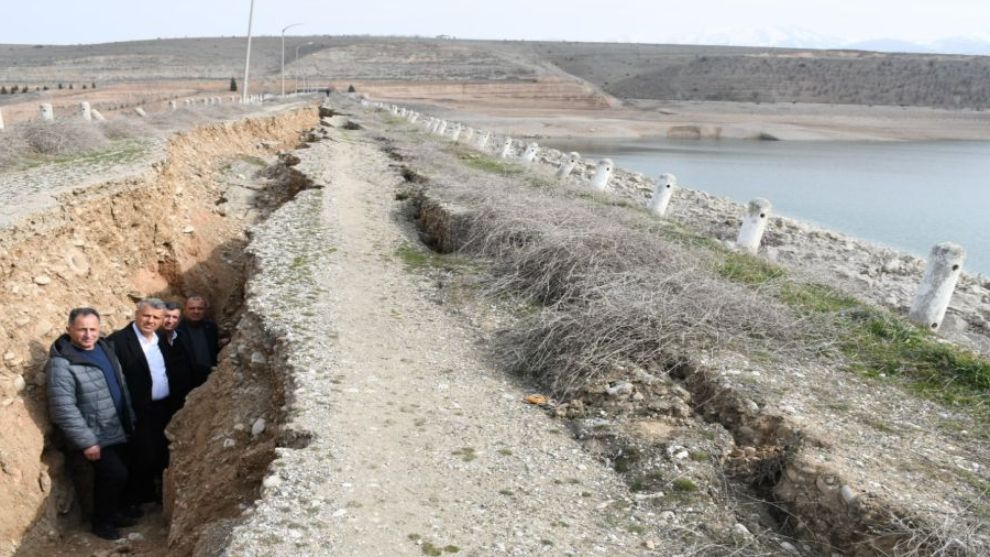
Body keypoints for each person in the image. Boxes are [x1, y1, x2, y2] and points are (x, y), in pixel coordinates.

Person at [47, 307, 138, 540]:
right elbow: (63, 407)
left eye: (93, 329)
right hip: (95, 433)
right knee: (114, 474)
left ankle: (115, 512)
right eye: (82, 330)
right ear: (69, 330)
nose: (88, 335)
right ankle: (102, 522)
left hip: (118, 425)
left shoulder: (104, 348)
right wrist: (87, 441)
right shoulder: (62, 363)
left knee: (123, 473)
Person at [109, 298, 179, 507]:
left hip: (163, 407)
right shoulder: (119, 341)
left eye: (156, 317)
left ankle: (154, 495)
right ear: (137, 314)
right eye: (146, 316)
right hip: (137, 410)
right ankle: (134, 500)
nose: (150, 321)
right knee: (140, 454)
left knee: (161, 450)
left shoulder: (160, 338)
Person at [176, 296, 224, 386]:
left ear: (205, 310)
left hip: (212, 379)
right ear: (185, 309)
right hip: (188, 381)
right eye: (192, 308)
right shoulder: (177, 331)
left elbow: (214, 349)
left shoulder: (211, 327)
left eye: (200, 308)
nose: (196, 311)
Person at [160, 301, 195, 401]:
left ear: (179, 320)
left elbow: (190, 363)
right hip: (165, 399)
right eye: (167, 316)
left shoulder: (182, 336)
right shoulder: (152, 341)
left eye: (175, 317)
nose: (170, 321)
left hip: (187, 395)